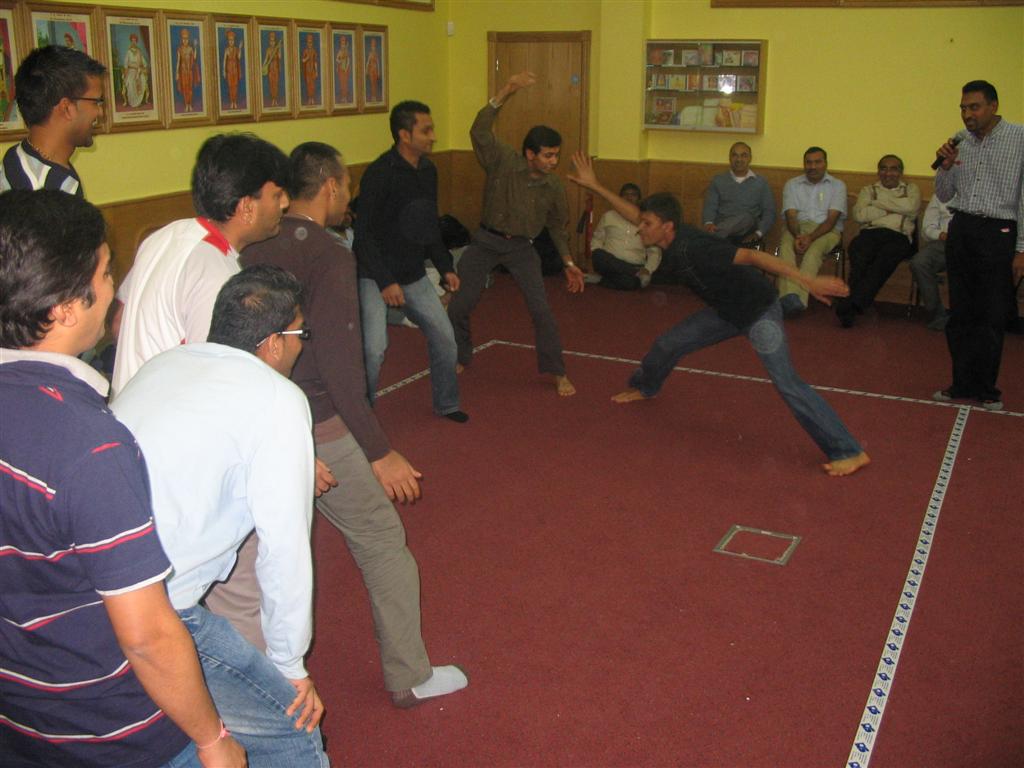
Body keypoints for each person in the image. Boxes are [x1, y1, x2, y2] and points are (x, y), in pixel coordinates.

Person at [0, 189, 245, 768]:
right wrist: (212, 740)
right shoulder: (88, 445)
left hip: (18, 713)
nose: (114, 290)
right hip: (110, 731)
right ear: (62, 308)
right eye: (106, 273)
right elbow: (148, 635)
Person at [242, 142, 469, 707]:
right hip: (317, 421)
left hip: (255, 418)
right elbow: (343, 367)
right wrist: (378, 449)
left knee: (252, 556)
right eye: (345, 185)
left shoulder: (253, 243)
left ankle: (247, 682)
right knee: (383, 541)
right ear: (331, 187)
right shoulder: (329, 253)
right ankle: (410, 675)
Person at [112, 265, 329, 766]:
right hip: (161, 610)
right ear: (274, 342)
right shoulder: (278, 398)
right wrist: (290, 667)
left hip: (93, 587)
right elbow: (285, 549)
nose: (302, 346)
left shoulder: (165, 364)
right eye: (301, 334)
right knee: (292, 733)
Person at [569, 152, 870, 477]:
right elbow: (634, 213)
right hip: (726, 311)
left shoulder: (698, 248)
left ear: (666, 227)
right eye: (642, 222)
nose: (639, 228)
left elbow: (756, 259)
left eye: (647, 224)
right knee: (669, 344)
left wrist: (807, 280)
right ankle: (646, 386)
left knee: (787, 382)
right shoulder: (666, 234)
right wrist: (596, 185)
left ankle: (848, 450)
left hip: (758, 310)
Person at [111, 132, 289, 396]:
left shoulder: (166, 235)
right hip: (167, 418)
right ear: (247, 208)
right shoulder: (214, 271)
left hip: (129, 402)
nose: (285, 204)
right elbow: (212, 375)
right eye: (276, 196)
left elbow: (119, 323)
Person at [447, 70, 585, 397]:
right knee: (459, 305)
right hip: (485, 242)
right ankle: (460, 354)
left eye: (556, 154)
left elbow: (556, 227)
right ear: (530, 153)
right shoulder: (503, 162)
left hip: (522, 249)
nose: (554, 161)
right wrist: (506, 91)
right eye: (548, 155)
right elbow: (478, 130)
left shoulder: (553, 185)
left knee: (542, 311)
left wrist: (568, 263)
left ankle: (557, 371)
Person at [354, 100, 468, 422]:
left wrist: (445, 266)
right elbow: (361, 234)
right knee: (374, 349)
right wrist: (385, 281)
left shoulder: (429, 171)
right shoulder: (379, 173)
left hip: (412, 273)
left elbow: (427, 225)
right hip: (374, 275)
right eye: (426, 130)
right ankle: (363, 420)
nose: (433, 136)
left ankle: (447, 404)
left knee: (446, 340)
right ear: (405, 135)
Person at [932, 79, 1024, 412]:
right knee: (961, 313)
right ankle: (961, 383)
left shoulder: (1019, 138)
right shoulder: (960, 143)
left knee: (990, 315)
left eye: (974, 107)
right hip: (963, 229)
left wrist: (1022, 249)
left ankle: (987, 389)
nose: (967, 114)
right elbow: (944, 194)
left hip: (999, 231)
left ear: (993, 106)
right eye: (963, 108)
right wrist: (944, 165)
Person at [0, 46, 105, 196]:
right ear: (66, 108)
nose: (100, 112)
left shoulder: (16, 156)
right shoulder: (51, 192)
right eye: (96, 102)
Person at [835, 154, 920, 327]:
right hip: (871, 233)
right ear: (878, 171)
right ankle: (856, 303)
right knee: (858, 252)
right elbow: (859, 215)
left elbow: (911, 208)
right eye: (884, 168)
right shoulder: (869, 190)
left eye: (893, 169)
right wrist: (893, 208)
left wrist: (877, 203)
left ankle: (851, 303)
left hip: (899, 236)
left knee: (884, 258)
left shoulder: (911, 189)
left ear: (901, 172)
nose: (888, 173)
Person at [776, 146, 847, 317]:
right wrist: (798, 235)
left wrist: (811, 237)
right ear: (804, 164)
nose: (812, 166)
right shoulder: (792, 184)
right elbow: (791, 216)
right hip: (797, 228)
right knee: (785, 247)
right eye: (808, 162)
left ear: (825, 164)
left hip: (827, 231)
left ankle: (799, 300)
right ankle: (788, 298)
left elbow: (831, 221)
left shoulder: (838, 186)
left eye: (817, 162)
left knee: (813, 251)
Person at [589, 182, 662, 290]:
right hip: (608, 262)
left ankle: (601, 279)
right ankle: (635, 274)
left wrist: (647, 269)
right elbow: (597, 239)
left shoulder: (646, 221)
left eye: (633, 194)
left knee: (631, 284)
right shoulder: (609, 216)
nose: (629, 197)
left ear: (639, 199)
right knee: (598, 254)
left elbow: (655, 251)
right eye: (625, 194)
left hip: (634, 263)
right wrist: (595, 250)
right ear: (619, 198)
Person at [701, 141, 776, 244]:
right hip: (723, 226)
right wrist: (708, 223)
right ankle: (715, 235)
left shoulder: (760, 182)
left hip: (747, 230)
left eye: (743, 155)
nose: (739, 159)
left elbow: (769, 212)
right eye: (734, 155)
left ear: (750, 158)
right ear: (729, 158)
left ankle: (711, 237)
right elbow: (710, 206)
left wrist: (758, 233)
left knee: (746, 217)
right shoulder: (718, 180)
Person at [910, 195, 954, 331]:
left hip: (973, 244)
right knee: (919, 263)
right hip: (944, 242)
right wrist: (941, 234)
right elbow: (927, 229)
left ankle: (972, 319)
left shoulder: (985, 191)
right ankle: (937, 316)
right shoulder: (942, 193)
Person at [121, 33, 148, 109]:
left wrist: (140, 67)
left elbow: (144, 62)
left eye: (135, 41)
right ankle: (133, 102)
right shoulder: (128, 52)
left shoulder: (139, 52)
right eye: (132, 41)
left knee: (142, 80)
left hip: (138, 71)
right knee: (130, 81)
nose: (133, 42)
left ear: (136, 42)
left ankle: (138, 102)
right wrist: (129, 67)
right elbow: (126, 63)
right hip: (131, 70)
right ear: (131, 41)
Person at [176, 27, 198, 112]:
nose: (185, 40)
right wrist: (177, 73)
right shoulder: (180, 49)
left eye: (186, 38)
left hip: (190, 72)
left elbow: (195, 57)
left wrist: (195, 47)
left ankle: (190, 104)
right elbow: (178, 61)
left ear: (188, 39)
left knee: (190, 89)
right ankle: (186, 105)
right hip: (182, 72)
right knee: (185, 89)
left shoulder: (190, 49)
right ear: (182, 39)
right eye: (183, 39)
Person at [223, 29, 241, 110]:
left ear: (234, 40)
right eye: (230, 40)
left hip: (235, 69)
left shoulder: (236, 49)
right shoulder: (226, 49)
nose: (231, 42)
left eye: (232, 40)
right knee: (230, 86)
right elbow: (224, 60)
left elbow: (239, 57)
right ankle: (231, 102)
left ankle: (235, 102)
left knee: (235, 86)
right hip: (229, 69)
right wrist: (223, 70)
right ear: (228, 41)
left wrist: (240, 48)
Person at [262, 31, 282, 107]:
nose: (272, 42)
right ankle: (272, 99)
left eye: (273, 41)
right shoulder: (268, 50)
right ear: (269, 42)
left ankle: (275, 99)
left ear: (275, 41)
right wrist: (263, 67)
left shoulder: (277, 49)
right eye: (271, 41)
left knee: (276, 84)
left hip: (276, 68)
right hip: (270, 69)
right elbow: (266, 59)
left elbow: (280, 57)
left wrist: (279, 48)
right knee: (271, 84)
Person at [301, 34, 318, 105]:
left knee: (313, 85)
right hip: (307, 71)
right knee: (308, 85)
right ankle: (309, 98)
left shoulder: (314, 51)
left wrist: (317, 71)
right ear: (307, 43)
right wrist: (306, 58)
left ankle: (312, 98)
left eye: (311, 42)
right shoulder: (305, 51)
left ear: (312, 43)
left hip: (313, 71)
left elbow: (315, 62)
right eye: (308, 42)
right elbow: (302, 60)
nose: (309, 44)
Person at [335, 35, 351, 104]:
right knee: (342, 83)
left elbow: (348, 60)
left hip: (345, 70)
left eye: (344, 43)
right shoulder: (340, 51)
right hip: (341, 69)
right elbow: (336, 59)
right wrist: (339, 61)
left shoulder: (346, 51)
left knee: (345, 83)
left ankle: (345, 97)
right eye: (342, 43)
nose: (343, 45)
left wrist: (346, 68)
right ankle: (342, 97)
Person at [365, 37, 380, 102]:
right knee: (372, 83)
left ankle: (374, 96)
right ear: (371, 46)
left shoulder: (376, 54)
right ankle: (372, 96)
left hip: (375, 70)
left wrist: (379, 72)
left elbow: (378, 63)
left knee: (375, 83)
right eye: (372, 45)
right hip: (371, 70)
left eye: (374, 45)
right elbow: (368, 62)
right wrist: (366, 70)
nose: (373, 47)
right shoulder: (370, 54)